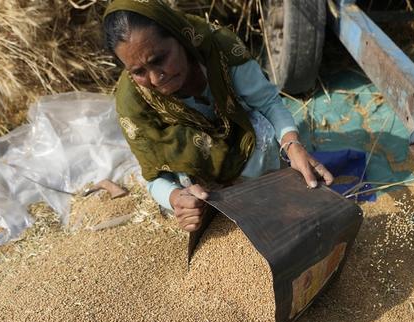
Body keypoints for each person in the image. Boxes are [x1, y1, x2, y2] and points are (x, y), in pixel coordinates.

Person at [103, 0, 333, 232]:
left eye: (159, 60)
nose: (155, 79)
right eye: (138, 72)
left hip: (242, 140)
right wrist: (176, 198)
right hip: (195, 175)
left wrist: (292, 145)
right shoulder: (132, 101)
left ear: (180, 37)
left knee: (264, 135)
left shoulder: (218, 48)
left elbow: (269, 103)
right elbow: (153, 176)